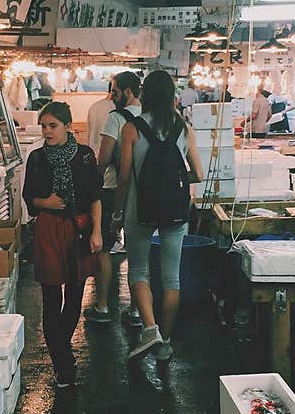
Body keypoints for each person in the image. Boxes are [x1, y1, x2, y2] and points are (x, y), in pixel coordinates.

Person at [113, 70, 204, 363]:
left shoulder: (131, 128)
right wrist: (174, 178)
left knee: (138, 271)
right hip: (176, 210)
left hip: (140, 210)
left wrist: (117, 213)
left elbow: (124, 177)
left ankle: (149, 328)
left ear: (144, 95)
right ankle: (165, 343)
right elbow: (198, 175)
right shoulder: (183, 128)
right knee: (171, 278)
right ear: (172, 96)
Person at [23, 102, 102, 389]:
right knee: (50, 297)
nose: (47, 131)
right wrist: (48, 202)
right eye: (43, 126)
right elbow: (29, 197)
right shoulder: (36, 158)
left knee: (75, 296)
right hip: (48, 228)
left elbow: (95, 195)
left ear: (68, 126)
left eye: (53, 125)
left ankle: (62, 349)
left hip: (79, 229)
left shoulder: (84, 156)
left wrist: (97, 232)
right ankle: (63, 363)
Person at [84, 72, 142, 326]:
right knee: (138, 252)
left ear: (128, 92)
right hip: (141, 192)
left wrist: (90, 176)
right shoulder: (149, 117)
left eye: (116, 92)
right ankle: (137, 311)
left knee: (106, 248)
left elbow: (105, 157)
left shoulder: (116, 118)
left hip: (112, 189)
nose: (113, 96)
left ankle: (103, 306)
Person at [85, 91, 115, 159]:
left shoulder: (94, 106)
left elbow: (90, 133)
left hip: (93, 155)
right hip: (107, 159)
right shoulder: (116, 109)